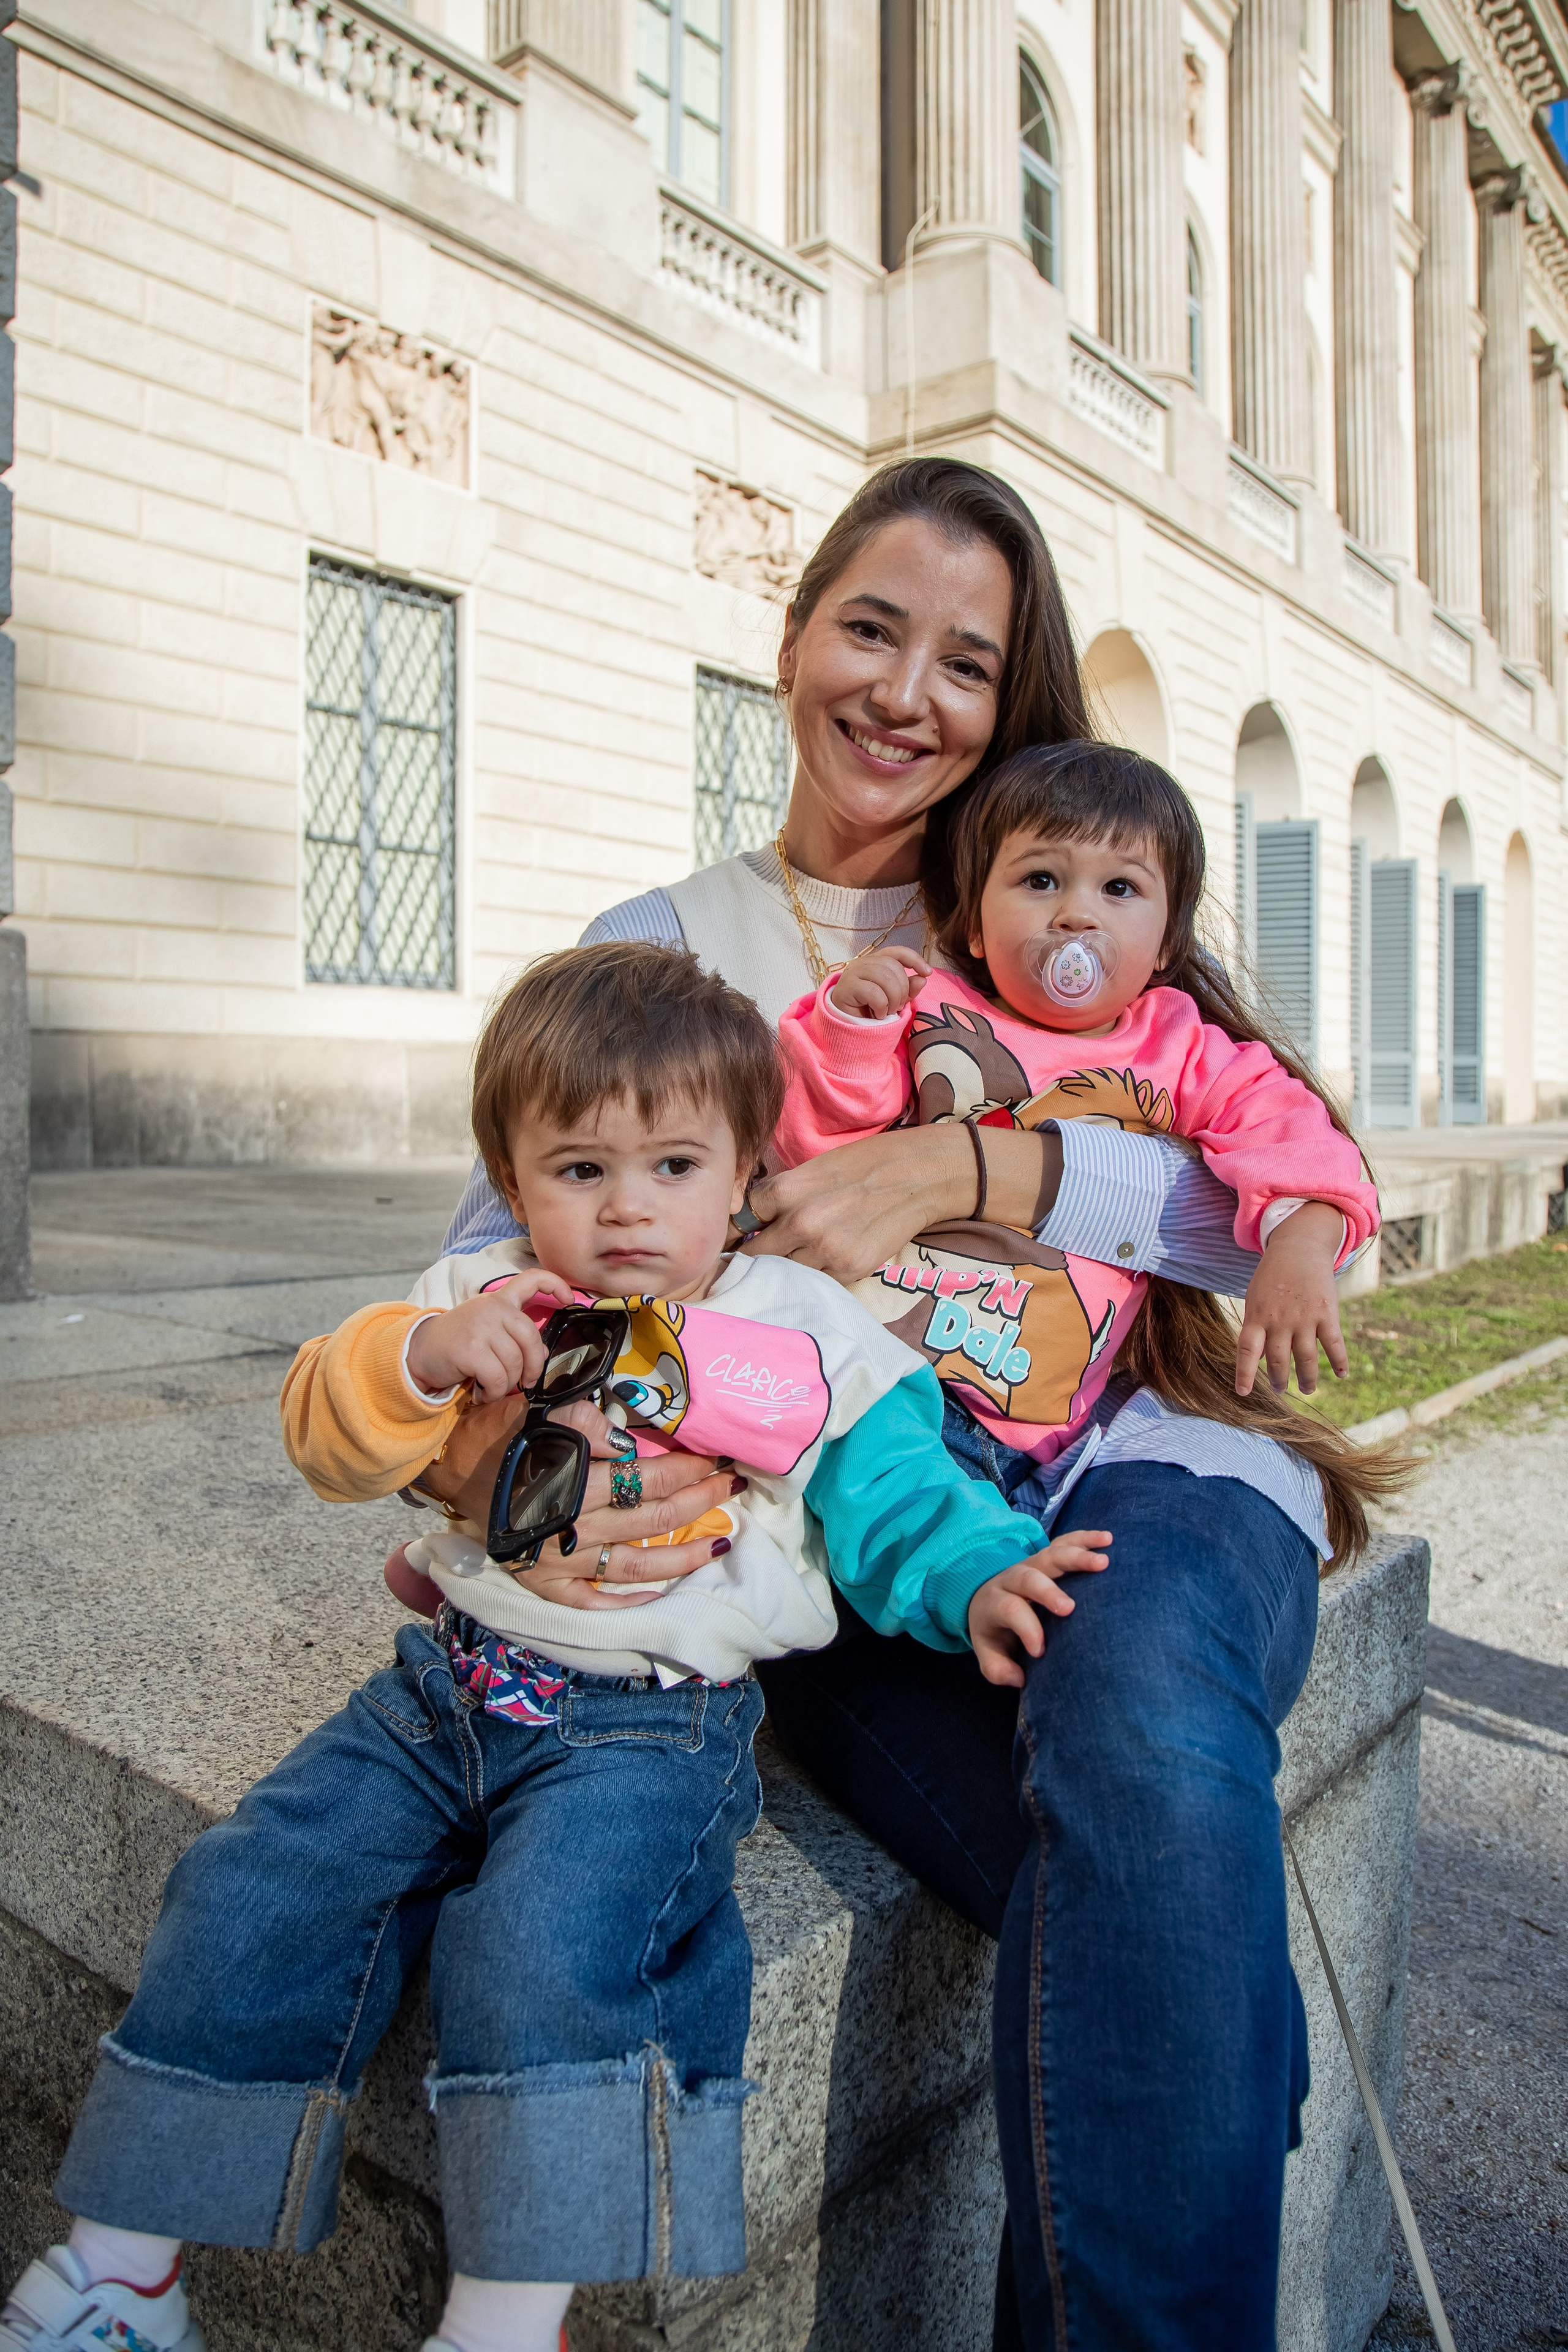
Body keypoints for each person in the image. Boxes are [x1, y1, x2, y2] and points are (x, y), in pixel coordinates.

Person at [421, 456, 1401, 2348]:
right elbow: (484, 1256)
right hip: (869, 1496)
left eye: (968, 660)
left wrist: (978, 1176)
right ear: (792, 640)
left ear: (1009, 704)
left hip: (1155, 1448)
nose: (906, 692)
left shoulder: (1064, 886)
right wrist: (489, 1474)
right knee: (1153, 1891)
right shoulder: (677, 940)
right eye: (870, 628)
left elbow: (1269, 1204)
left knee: (1145, 1728)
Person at [1, 943, 1110, 2352]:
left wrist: (978, 1579)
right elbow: (326, 1424)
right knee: (257, 1881)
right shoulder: (483, 1290)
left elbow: (894, 1493)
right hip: (444, 1691)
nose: (627, 1209)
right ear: (513, 1177)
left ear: (743, 1170)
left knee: (545, 1949)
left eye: (673, 1167)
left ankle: (508, 2324)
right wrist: (418, 1360)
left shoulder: (798, 1324)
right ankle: (118, 2274)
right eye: (579, 1170)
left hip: (650, 1728)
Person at [774, 737, 1379, 1533]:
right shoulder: (930, 1011)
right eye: (1040, 880)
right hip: (873, 1378)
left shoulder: (1181, 1046)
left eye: (1120, 887)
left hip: (1032, 1432)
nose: (1076, 913)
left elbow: (1297, 1136)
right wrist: (851, 1028)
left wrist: (1301, 1238)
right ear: (978, 924)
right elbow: (819, 1148)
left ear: (1167, 943)